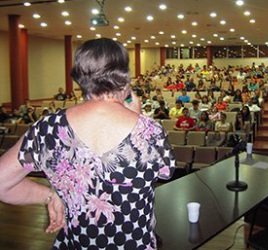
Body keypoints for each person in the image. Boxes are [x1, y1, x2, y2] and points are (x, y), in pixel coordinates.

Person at [0, 38, 175, 250]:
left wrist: (49, 196)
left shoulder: (47, 128)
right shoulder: (150, 131)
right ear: (124, 76)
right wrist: (136, 117)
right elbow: (165, 172)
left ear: (80, 77)